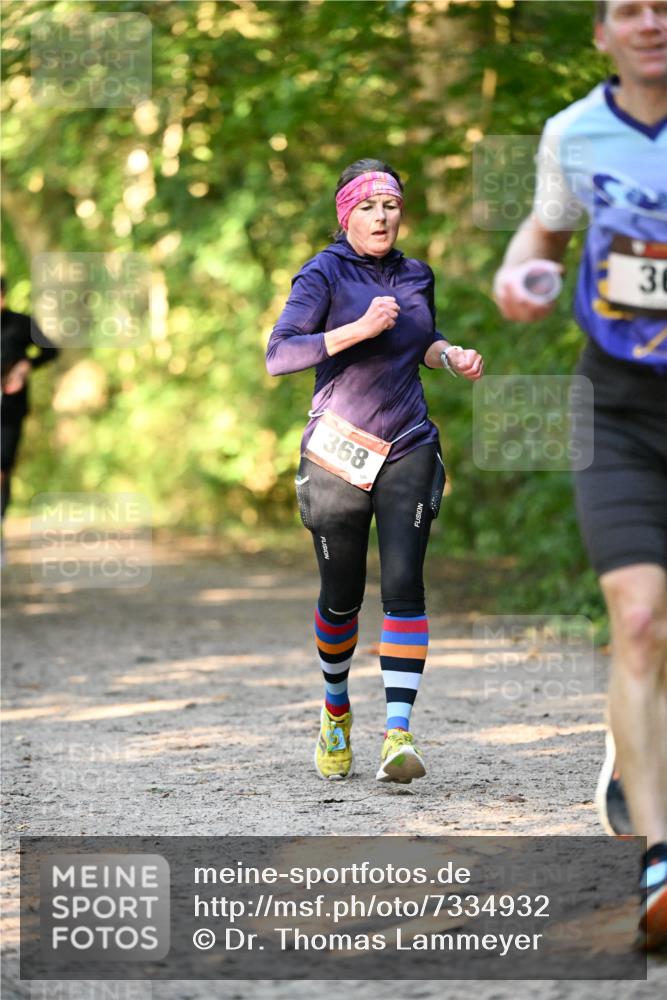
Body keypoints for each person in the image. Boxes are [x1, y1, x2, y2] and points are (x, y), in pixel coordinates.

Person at [493, 0, 666, 950]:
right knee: (638, 618)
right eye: (628, 9)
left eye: (662, 6)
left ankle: (631, 744)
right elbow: (541, 239)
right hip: (621, 403)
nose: (650, 22)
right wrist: (520, 277)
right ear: (602, 34)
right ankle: (659, 861)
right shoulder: (573, 132)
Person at [266, 159, 483, 784]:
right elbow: (280, 355)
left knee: (405, 584)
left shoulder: (417, 273)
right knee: (341, 600)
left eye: (390, 205)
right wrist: (355, 329)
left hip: (408, 442)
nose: (381, 216)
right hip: (338, 448)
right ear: (346, 213)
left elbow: (422, 339)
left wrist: (450, 354)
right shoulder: (323, 272)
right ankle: (336, 711)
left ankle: (398, 733)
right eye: (367, 206)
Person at [1, 276, 59, 534]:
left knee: (2, 466)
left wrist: (26, 365)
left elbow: (50, 350)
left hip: (10, 407)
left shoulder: (21, 323)